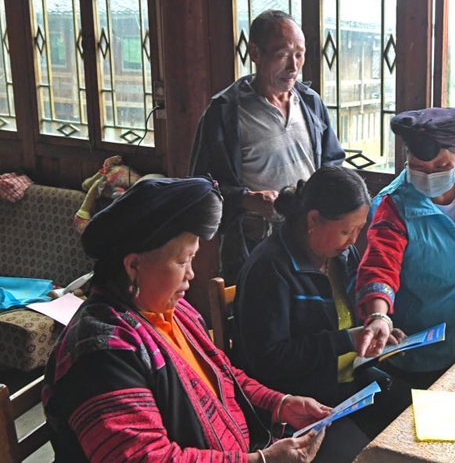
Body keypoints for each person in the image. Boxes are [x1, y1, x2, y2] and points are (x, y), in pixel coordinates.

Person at [43, 177, 329, 462]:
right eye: (182, 261)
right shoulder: (101, 351)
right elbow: (145, 458)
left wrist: (279, 403)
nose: (191, 274)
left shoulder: (175, 311)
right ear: (133, 265)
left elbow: (222, 375)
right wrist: (261, 460)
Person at [233, 166, 410, 457]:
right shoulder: (270, 268)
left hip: (346, 382)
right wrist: (347, 340)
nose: (353, 240)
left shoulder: (340, 256)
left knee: (410, 417)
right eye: (346, 231)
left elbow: (350, 315)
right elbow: (268, 361)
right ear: (313, 219)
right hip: (301, 403)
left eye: (359, 229)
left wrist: (374, 329)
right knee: (374, 455)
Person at [354, 107, 455, 388]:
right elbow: (380, 266)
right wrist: (378, 316)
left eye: (440, 167)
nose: (429, 176)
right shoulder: (395, 206)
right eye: (418, 168)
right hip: (414, 349)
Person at [189, 9, 344, 283]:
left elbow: (333, 163)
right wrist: (245, 198)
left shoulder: (310, 102)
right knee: (258, 308)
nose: (294, 67)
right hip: (252, 244)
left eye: (300, 54)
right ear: (255, 53)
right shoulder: (225, 111)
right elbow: (199, 186)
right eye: (283, 55)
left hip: (309, 240)